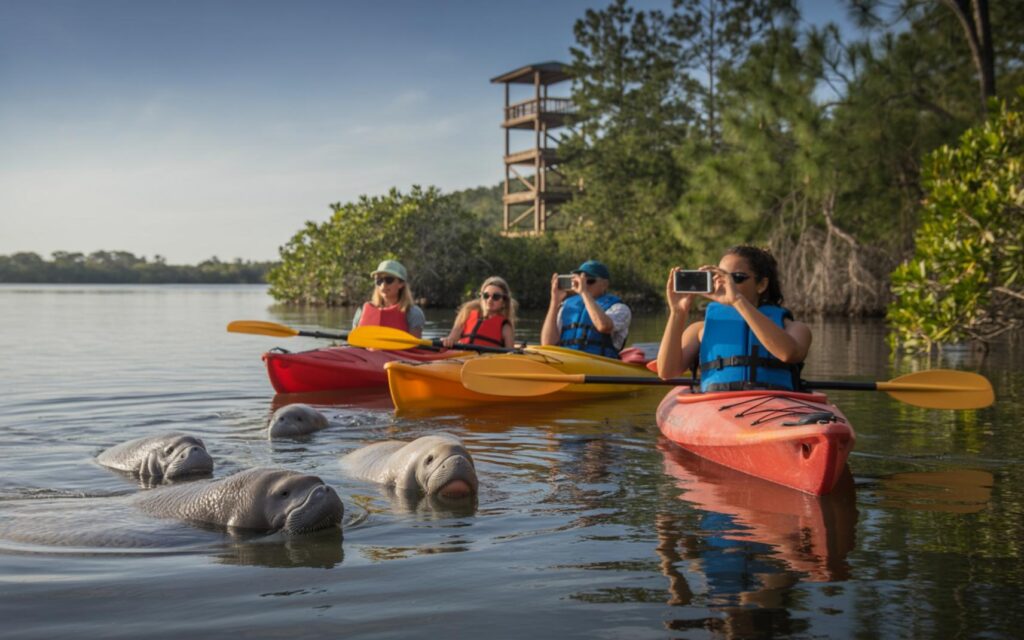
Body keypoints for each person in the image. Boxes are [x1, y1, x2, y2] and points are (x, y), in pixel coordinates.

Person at [657, 245, 811, 391]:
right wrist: (677, 312)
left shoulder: (795, 329)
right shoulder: (698, 330)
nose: (727, 283)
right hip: (717, 405)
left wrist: (737, 300)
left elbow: (788, 354)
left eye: (736, 278)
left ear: (762, 285)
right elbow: (667, 372)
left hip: (775, 403)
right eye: (721, 277)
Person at [541, 260, 631, 358]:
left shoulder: (619, 308)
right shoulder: (566, 306)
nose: (584, 285)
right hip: (566, 360)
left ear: (605, 284)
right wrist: (554, 302)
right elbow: (547, 343)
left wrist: (584, 293)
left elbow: (603, 326)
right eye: (581, 281)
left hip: (599, 362)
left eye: (589, 281)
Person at [351, 259, 425, 338]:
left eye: (389, 280)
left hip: (399, 350)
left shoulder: (413, 313)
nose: (383, 285)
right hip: (366, 350)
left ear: (401, 284)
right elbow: (354, 342)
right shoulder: (362, 310)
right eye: (379, 280)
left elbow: (414, 346)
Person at [441, 276, 517, 349]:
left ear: (504, 302)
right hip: (460, 359)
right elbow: (452, 338)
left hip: (486, 361)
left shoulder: (505, 327)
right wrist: (447, 341)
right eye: (486, 296)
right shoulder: (466, 315)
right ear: (481, 297)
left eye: (496, 297)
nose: (489, 300)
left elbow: (511, 354)